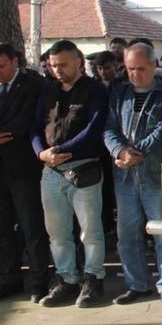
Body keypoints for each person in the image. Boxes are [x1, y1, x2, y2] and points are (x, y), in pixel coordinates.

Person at [32, 40, 108, 308]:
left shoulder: (95, 90)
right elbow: (35, 127)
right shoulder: (48, 90)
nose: (58, 70)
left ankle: (93, 278)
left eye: (63, 64)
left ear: (78, 61)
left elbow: (94, 127)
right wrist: (41, 153)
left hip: (84, 168)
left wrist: (59, 150)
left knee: (90, 231)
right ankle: (66, 278)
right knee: (57, 232)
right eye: (53, 66)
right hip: (51, 170)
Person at [103, 43, 162, 307]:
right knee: (127, 234)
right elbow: (109, 128)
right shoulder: (119, 93)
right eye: (130, 69)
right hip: (124, 176)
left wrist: (135, 151)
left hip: (154, 173)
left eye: (141, 69)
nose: (135, 74)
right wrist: (119, 151)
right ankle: (137, 283)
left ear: (153, 65)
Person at [0, 44, 50, 303]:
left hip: (23, 169)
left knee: (31, 227)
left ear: (14, 62)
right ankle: (9, 278)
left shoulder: (33, 85)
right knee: (3, 229)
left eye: (1, 66)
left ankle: (39, 280)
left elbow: (25, 121)